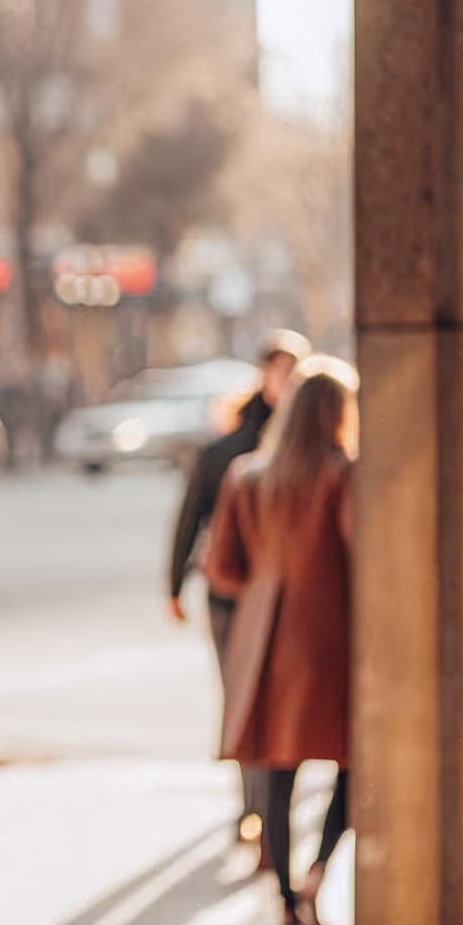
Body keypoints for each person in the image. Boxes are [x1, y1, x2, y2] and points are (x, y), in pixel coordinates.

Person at [204, 357, 357, 925]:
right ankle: (317, 876)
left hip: (265, 643)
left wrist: (268, 586)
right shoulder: (343, 475)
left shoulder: (247, 475)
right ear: (337, 415)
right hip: (332, 639)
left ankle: (287, 901)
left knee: (276, 772)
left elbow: (221, 568)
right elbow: (361, 553)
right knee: (354, 762)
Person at [168, 330, 309, 847]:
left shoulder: (316, 448)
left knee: (281, 707)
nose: (286, 382)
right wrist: (175, 583)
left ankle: (271, 812)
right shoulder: (229, 453)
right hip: (235, 596)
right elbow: (191, 520)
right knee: (242, 701)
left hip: (286, 598)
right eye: (279, 370)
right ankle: (252, 809)